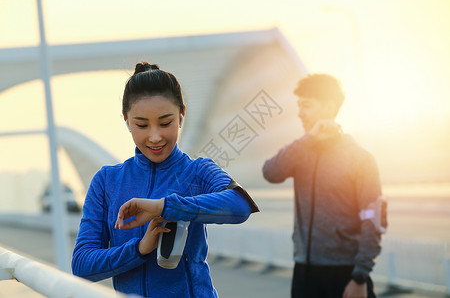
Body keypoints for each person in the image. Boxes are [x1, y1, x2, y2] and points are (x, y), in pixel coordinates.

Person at [72, 62, 259, 298]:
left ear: (181, 116)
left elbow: (241, 205)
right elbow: (81, 265)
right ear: (126, 120)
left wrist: (165, 207)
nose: (155, 136)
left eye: (165, 122)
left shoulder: (198, 171)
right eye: (141, 124)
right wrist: (139, 249)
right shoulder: (107, 181)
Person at [262, 74, 386, 298]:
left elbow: (373, 219)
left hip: (345, 273)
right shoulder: (301, 152)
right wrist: (307, 141)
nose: (300, 113)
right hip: (304, 272)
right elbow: (270, 172)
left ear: (329, 107)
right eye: (299, 105)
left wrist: (359, 277)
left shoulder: (360, 158)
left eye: (306, 106)